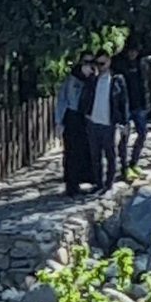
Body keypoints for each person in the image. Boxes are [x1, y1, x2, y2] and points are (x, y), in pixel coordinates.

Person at [86, 52, 126, 192]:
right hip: (93, 122)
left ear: (109, 62)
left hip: (109, 122)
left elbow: (123, 102)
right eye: (97, 64)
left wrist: (124, 122)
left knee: (110, 154)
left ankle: (109, 184)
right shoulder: (92, 80)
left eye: (102, 64)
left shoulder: (116, 80)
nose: (100, 67)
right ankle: (98, 183)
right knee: (95, 155)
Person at [55, 56, 90, 198]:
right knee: (71, 152)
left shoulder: (91, 79)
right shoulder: (71, 79)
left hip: (85, 117)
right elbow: (62, 100)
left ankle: (81, 181)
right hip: (72, 117)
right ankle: (71, 185)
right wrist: (59, 122)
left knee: (84, 151)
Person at [117, 47, 151, 179]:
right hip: (126, 106)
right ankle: (124, 166)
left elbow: (146, 85)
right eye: (130, 50)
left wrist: (147, 103)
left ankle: (134, 162)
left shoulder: (141, 65)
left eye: (135, 51)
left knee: (142, 134)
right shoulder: (121, 66)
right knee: (125, 137)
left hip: (139, 105)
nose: (132, 53)